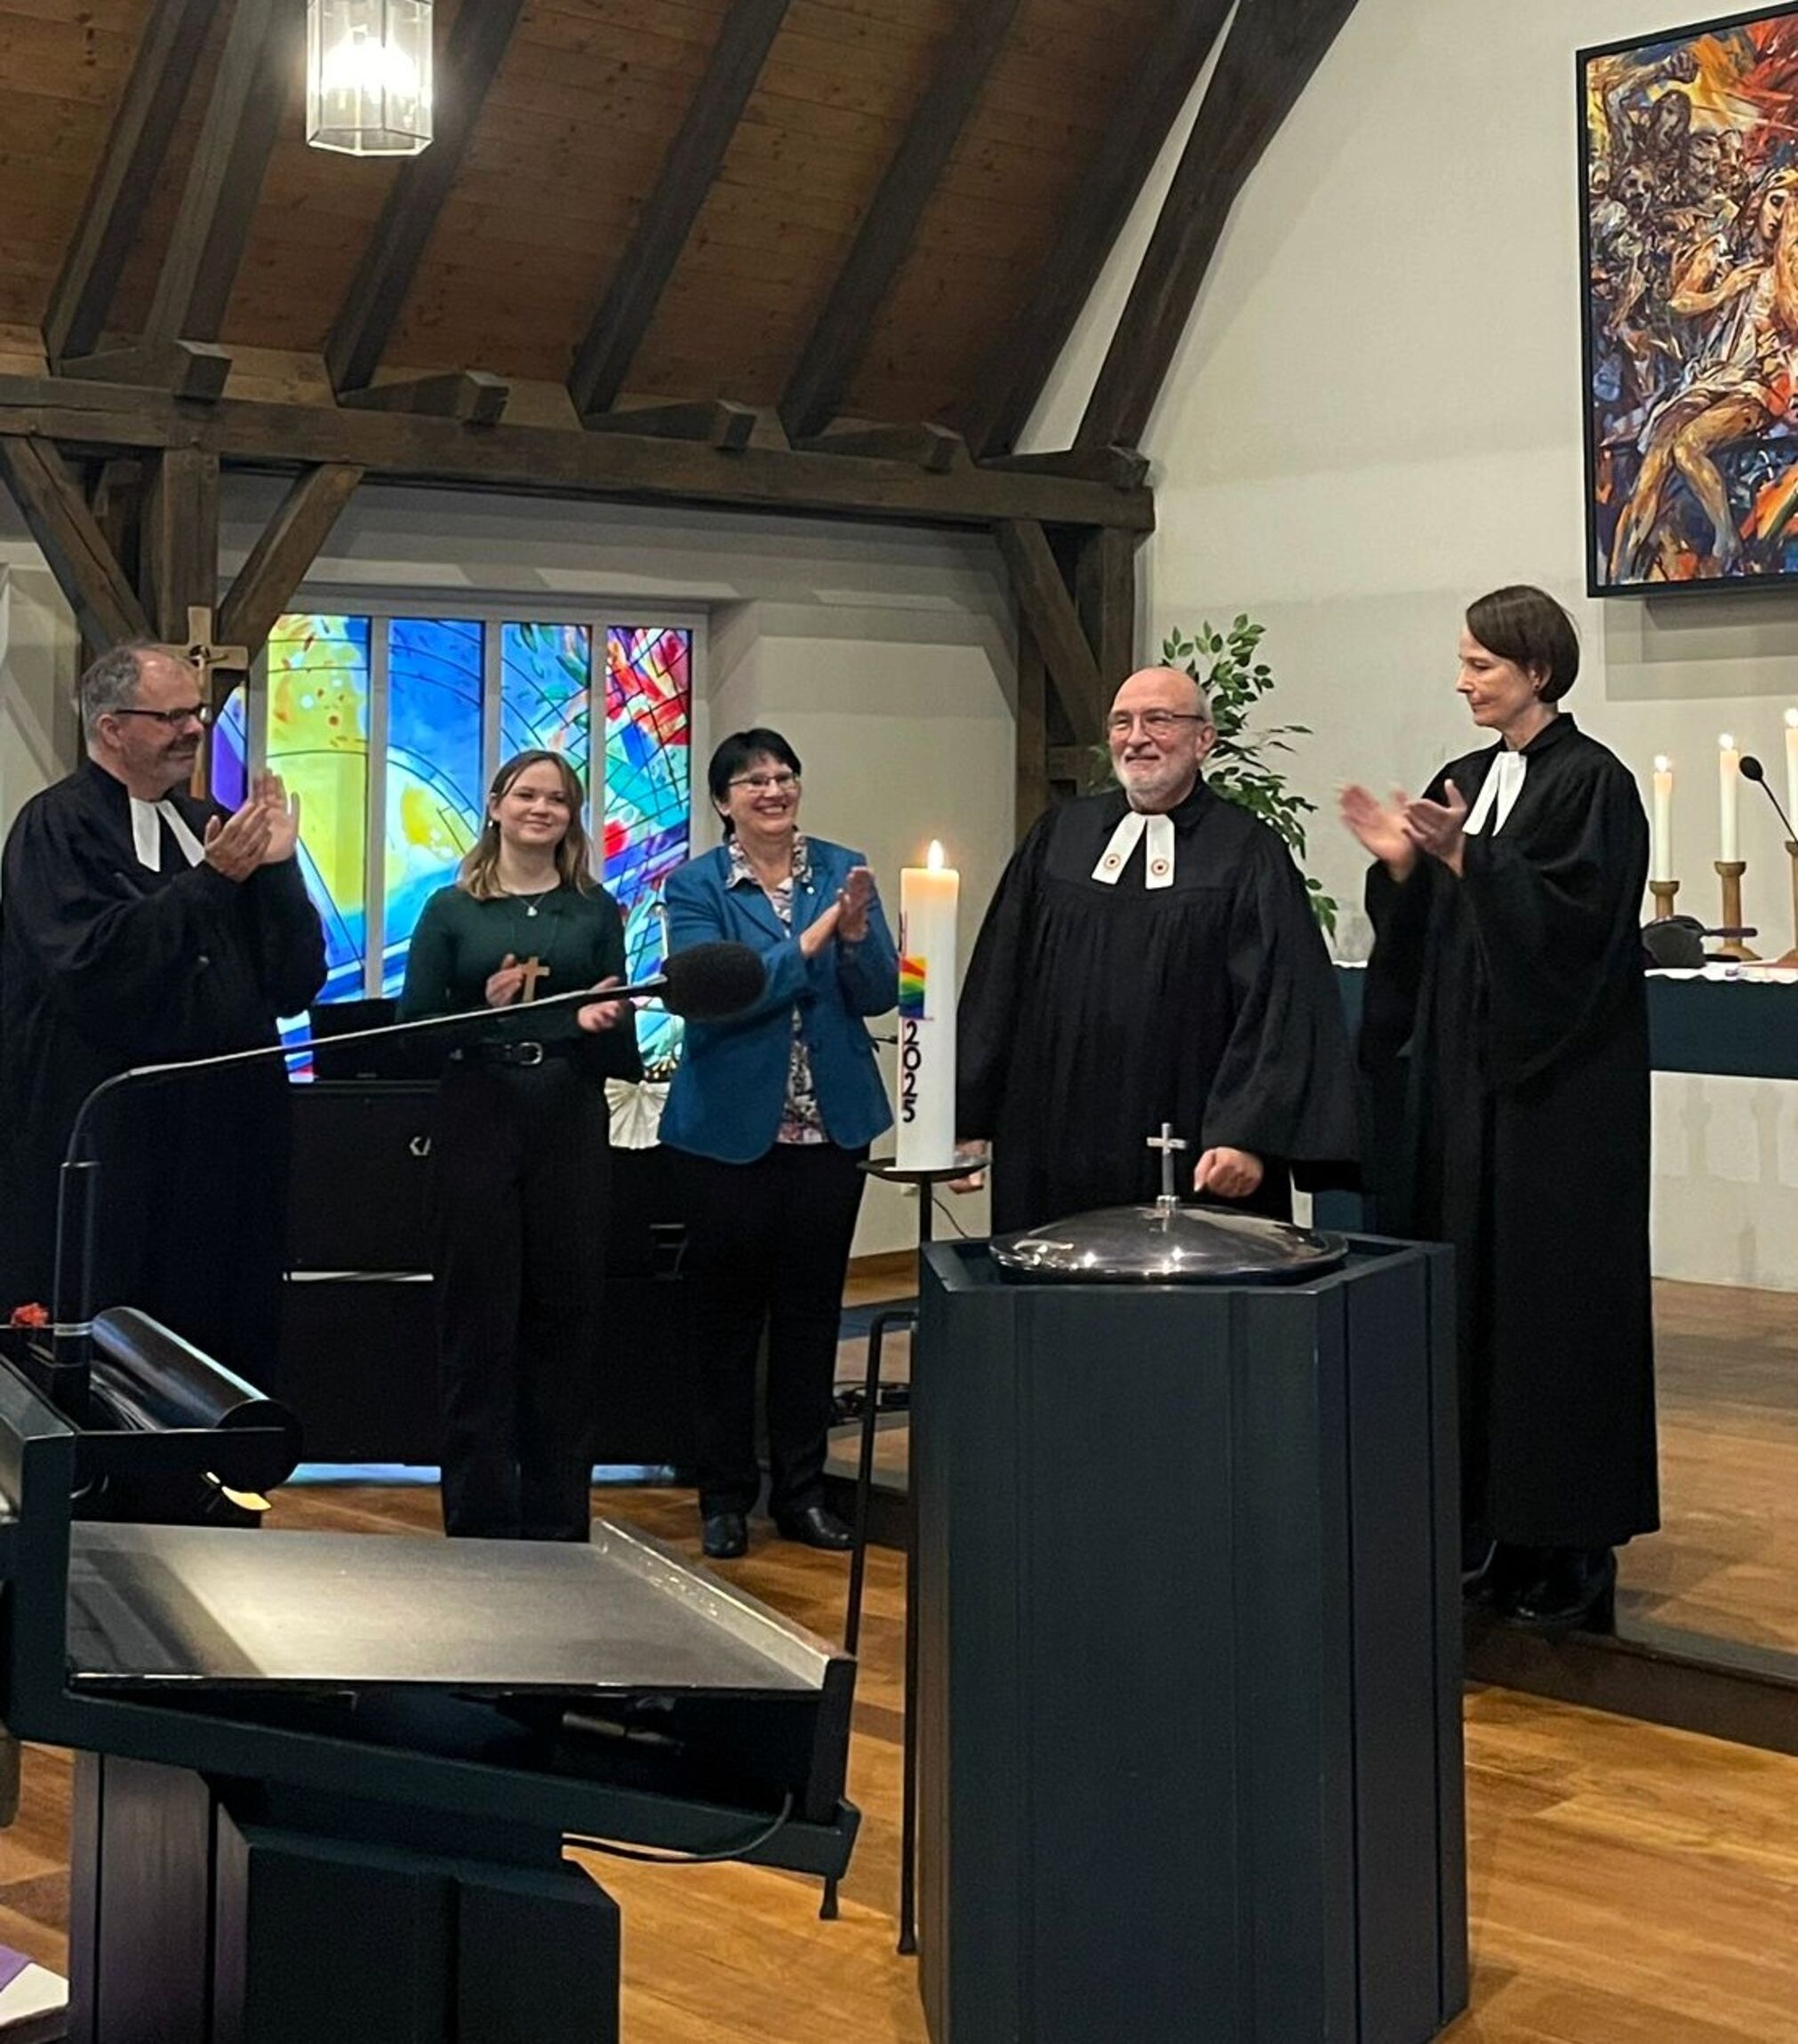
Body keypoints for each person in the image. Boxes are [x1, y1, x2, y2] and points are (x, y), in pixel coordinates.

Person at [1341, 585, 1658, 1631]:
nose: (1463, 681)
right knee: (1473, 1306)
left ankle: (1568, 1553)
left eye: (1481, 664)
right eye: (1464, 662)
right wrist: (1403, 869)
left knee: (1551, 1312)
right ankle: (1486, 1534)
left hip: (1557, 1103)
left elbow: (1578, 928)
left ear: (1538, 669)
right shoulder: (1466, 780)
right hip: (1467, 1094)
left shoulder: (1593, 782)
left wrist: (1471, 857)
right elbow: (1436, 936)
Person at [0, 642, 324, 1379]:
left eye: (197, 712)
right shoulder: (57, 826)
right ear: (111, 728)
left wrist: (278, 871)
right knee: (115, 1336)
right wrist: (210, 882)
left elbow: (293, 982)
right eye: (171, 716)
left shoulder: (211, 825)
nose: (193, 729)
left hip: (225, 1137)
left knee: (220, 1335)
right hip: (115, 1136)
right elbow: (94, 969)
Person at [955, 666, 1357, 1234]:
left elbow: (1282, 1006)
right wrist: (968, 1114)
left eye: (1159, 720)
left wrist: (1246, 1134)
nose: (1137, 737)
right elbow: (999, 976)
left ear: (1204, 739)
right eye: (1122, 722)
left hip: (1194, 1142)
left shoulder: (1247, 851)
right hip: (1054, 1136)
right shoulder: (1060, 837)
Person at [659, 730, 898, 1561]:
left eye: (784, 776)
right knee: (725, 1322)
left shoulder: (842, 867)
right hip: (727, 1131)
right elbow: (717, 995)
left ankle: (801, 1494)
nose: (773, 791)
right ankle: (725, 1497)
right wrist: (812, 939)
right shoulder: (694, 885)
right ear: (723, 801)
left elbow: (878, 993)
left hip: (829, 1128)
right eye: (752, 781)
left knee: (810, 1316)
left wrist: (858, 936)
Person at [398, 749, 641, 1542]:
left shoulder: (594, 910)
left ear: (571, 818)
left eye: (558, 800)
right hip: (478, 1110)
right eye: (527, 795)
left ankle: (560, 1520)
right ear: (496, 806)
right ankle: (477, 1520)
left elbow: (618, 1037)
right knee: (476, 1319)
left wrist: (600, 1023)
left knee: (565, 1316)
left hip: (566, 1111)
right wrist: (483, 1003)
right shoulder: (450, 910)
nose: (541, 809)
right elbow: (411, 1034)